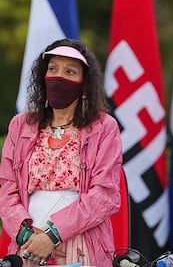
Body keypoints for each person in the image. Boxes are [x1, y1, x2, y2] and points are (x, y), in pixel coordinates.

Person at [0, 38, 123, 266]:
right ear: (42, 76)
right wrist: (28, 237)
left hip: (83, 245)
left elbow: (105, 195)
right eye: (53, 69)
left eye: (69, 71)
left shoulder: (104, 127)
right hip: (27, 247)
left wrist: (52, 236)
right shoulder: (20, 125)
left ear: (84, 83)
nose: (59, 77)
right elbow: (7, 188)